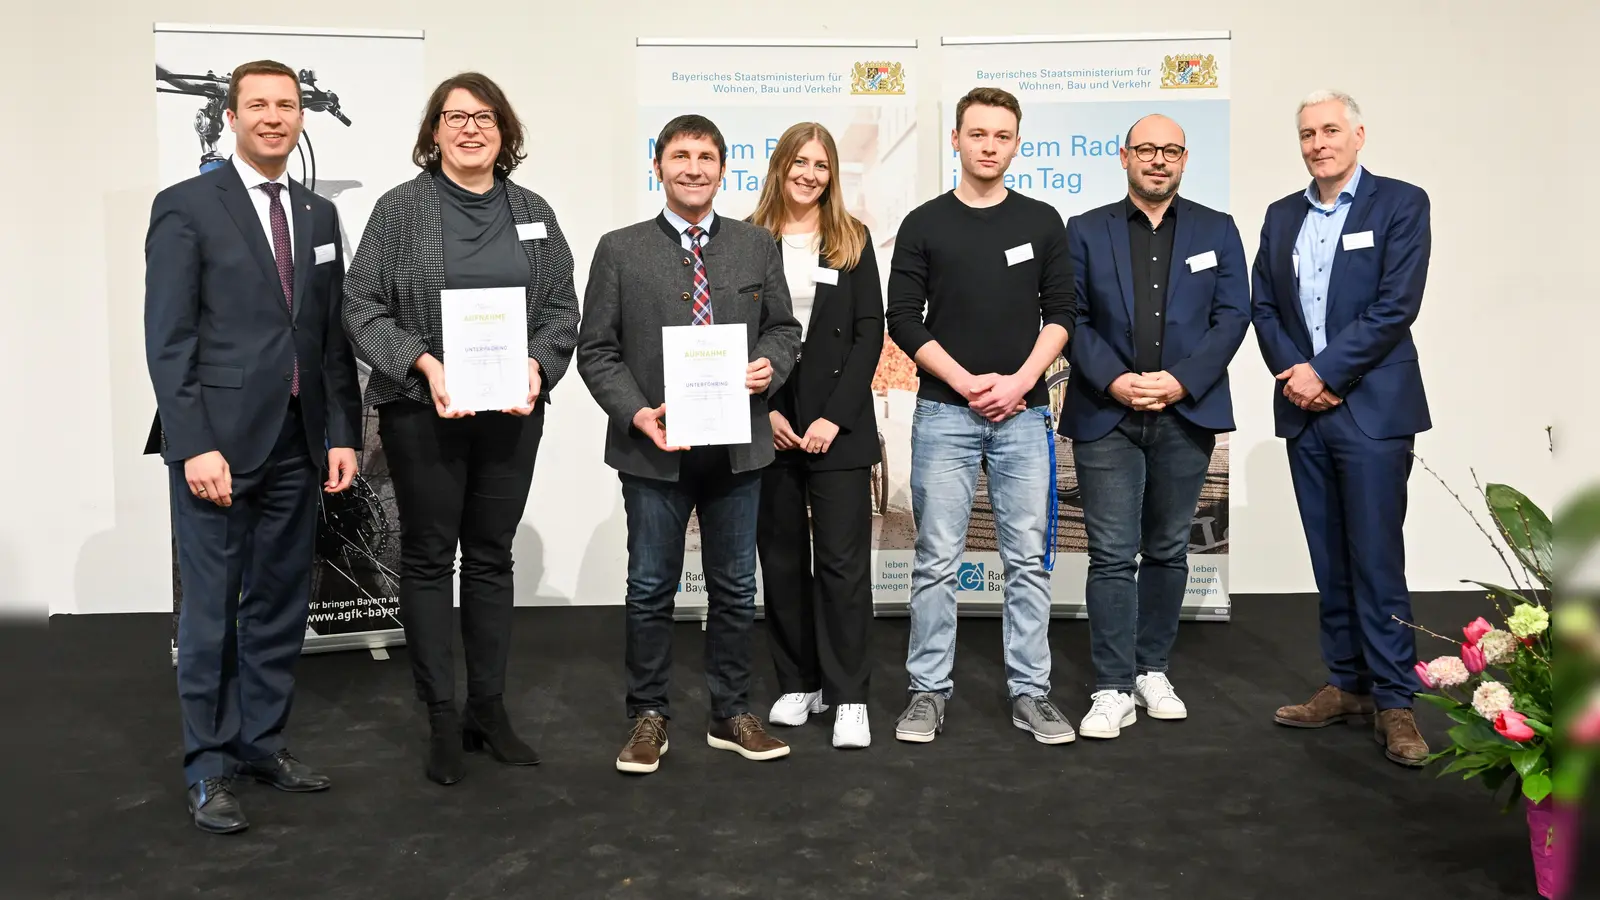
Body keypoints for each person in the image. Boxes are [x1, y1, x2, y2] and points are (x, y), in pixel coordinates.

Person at [143, 59, 362, 834]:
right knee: (209, 614)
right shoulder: (185, 206)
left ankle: (260, 744)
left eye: (287, 104)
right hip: (219, 449)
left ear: (302, 115)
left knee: (278, 606)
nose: (274, 116)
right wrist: (193, 443)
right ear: (231, 117)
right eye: (258, 105)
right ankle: (206, 768)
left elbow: (331, 340)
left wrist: (343, 434)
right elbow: (168, 342)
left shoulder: (317, 214)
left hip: (302, 443)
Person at [342, 72, 580, 785]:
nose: (469, 128)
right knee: (426, 557)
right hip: (424, 411)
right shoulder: (399, 210)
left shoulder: (533, 211)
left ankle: (488, 708)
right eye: (455, 117)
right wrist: (423, 365)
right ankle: (441, 716)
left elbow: (563, 309)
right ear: (433, 132)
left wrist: (539, 366)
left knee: (490, 557)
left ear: (505, 133)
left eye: (484, 118)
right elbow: (360, 304)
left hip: (511, 413)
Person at [576, 114, 802, 774]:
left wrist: (770, 364)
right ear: (659, 166)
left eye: (706, 156)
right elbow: (597, 350)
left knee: (734, 587)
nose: (694, 167)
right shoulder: (619, 249)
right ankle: (648, 715)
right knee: (650, 587)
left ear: (723, 169)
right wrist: (638, 413)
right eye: (680, 156)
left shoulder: (757, 246)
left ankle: (732, 712)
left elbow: (784, 330)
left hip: (739, 449)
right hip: (655, 450)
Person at [886, 87, 1077, 745]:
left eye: (1002, 135)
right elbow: (904, 320)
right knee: (937, 558)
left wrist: (1022, 382)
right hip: (944, 414)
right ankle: (926, 694)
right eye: (978, 134)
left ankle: (1031, 693)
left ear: (1016, 143)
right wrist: (968, 383)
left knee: (1027, 559)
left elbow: (1063, 315)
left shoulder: (1044, 221)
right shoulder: (924, 223)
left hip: (1024, 416)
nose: (990, 145)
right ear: (957, 140)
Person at [1251, 90, 1433, 766]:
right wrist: (1297, 375)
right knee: (1329, 558)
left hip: (1371, 410)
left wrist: (1324, 372)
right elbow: (1262, 305)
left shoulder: (1400, 204)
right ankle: (1347, 683)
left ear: (1359, 135)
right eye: (1306, 133)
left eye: (1330, 130)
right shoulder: (1281, 215)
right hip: (1304, 414)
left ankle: (1395, 701)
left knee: (1376, 560)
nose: (1318, 142)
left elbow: (1396, 306)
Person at [1059, 114, 1250, 740]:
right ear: (1124, 157)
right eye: (1147, 149)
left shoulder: (1217, 230)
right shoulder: (1085, 230)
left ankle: (1152, 669)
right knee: (1113, 555)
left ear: (1186, 158)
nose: (1158, 160)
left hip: (1185, 410)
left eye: (1171, 150)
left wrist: (1180, 381)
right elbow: (1073, 318)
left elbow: (1232, 317)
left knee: (1169, 549)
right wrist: (1116, 380)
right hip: (1107, 412)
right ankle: (1111, 687)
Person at [748, 122, 884, 749]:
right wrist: (764, 414)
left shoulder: (851, 239)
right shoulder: (747, 240)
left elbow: (867, 335)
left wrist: (835, 414)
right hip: (767, 420)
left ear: (833, 175)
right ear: (780, 166)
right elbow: (734, 334)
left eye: (822, 165)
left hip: (840, 424)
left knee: (841, 563)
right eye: (799, 162)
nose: (809, 174)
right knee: (779, 559)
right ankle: (798, 683)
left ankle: (848, 694)